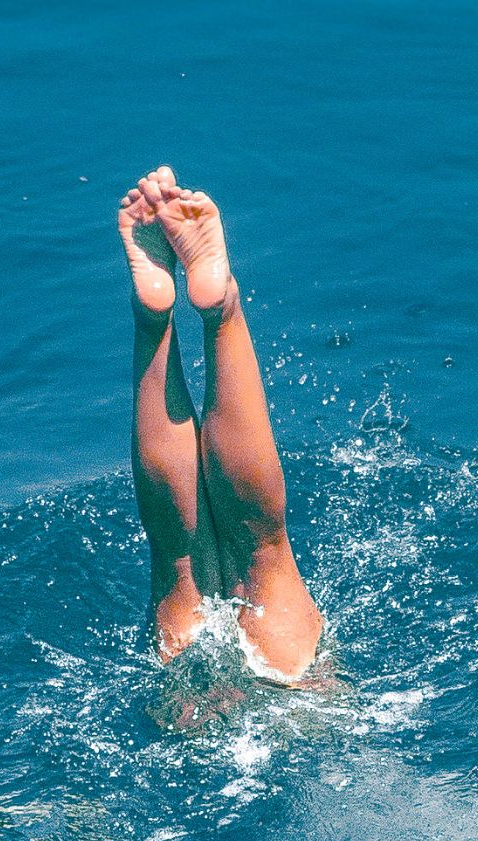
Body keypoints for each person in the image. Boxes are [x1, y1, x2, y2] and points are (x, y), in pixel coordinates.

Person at [118, 166, 323, 681]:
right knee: (264, 555)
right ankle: (221, 308)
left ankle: (153, 321)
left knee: (178, 565)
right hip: (297, 710)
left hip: (193, 701)